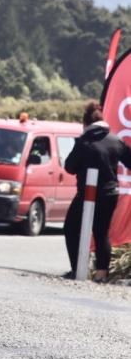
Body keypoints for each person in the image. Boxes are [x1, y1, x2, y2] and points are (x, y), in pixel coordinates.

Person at [63, 101, 131, 282]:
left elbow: (69, 167)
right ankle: (102, 274)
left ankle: (77, 269)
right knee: (102, 233)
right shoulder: (116, 140)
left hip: (87, 194)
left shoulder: (84, 142)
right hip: (110, 193)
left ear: (86, 123)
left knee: (71, 228)